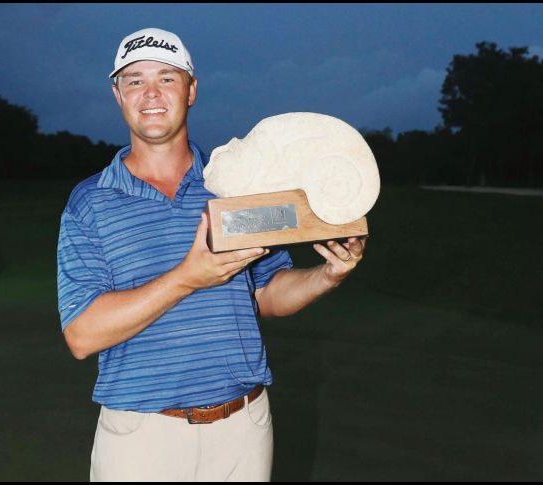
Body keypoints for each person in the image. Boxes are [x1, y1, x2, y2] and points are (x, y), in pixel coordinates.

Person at [56, 27, 366, 482]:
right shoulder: (90, 202)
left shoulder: (236, 187)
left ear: (192, 89)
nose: (151, 94)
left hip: (244, 429)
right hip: (143, 438)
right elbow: (82, 335)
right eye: (135, 80)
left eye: (167, 77)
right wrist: (187, 276)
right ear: (117, 94)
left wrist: (327, 275)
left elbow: (265, 295)